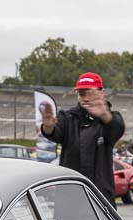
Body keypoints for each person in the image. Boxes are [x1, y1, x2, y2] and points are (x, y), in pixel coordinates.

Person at [40, 72, 126, 206]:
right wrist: (48, 126)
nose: (85, 98)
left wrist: (104, 115)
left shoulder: (110, 119)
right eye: (81, 94)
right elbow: (56, 133)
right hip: (71, 196)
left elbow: (117, 129)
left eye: (89, 93)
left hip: (100, 195)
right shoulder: (68, 117)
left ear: (101, 92)